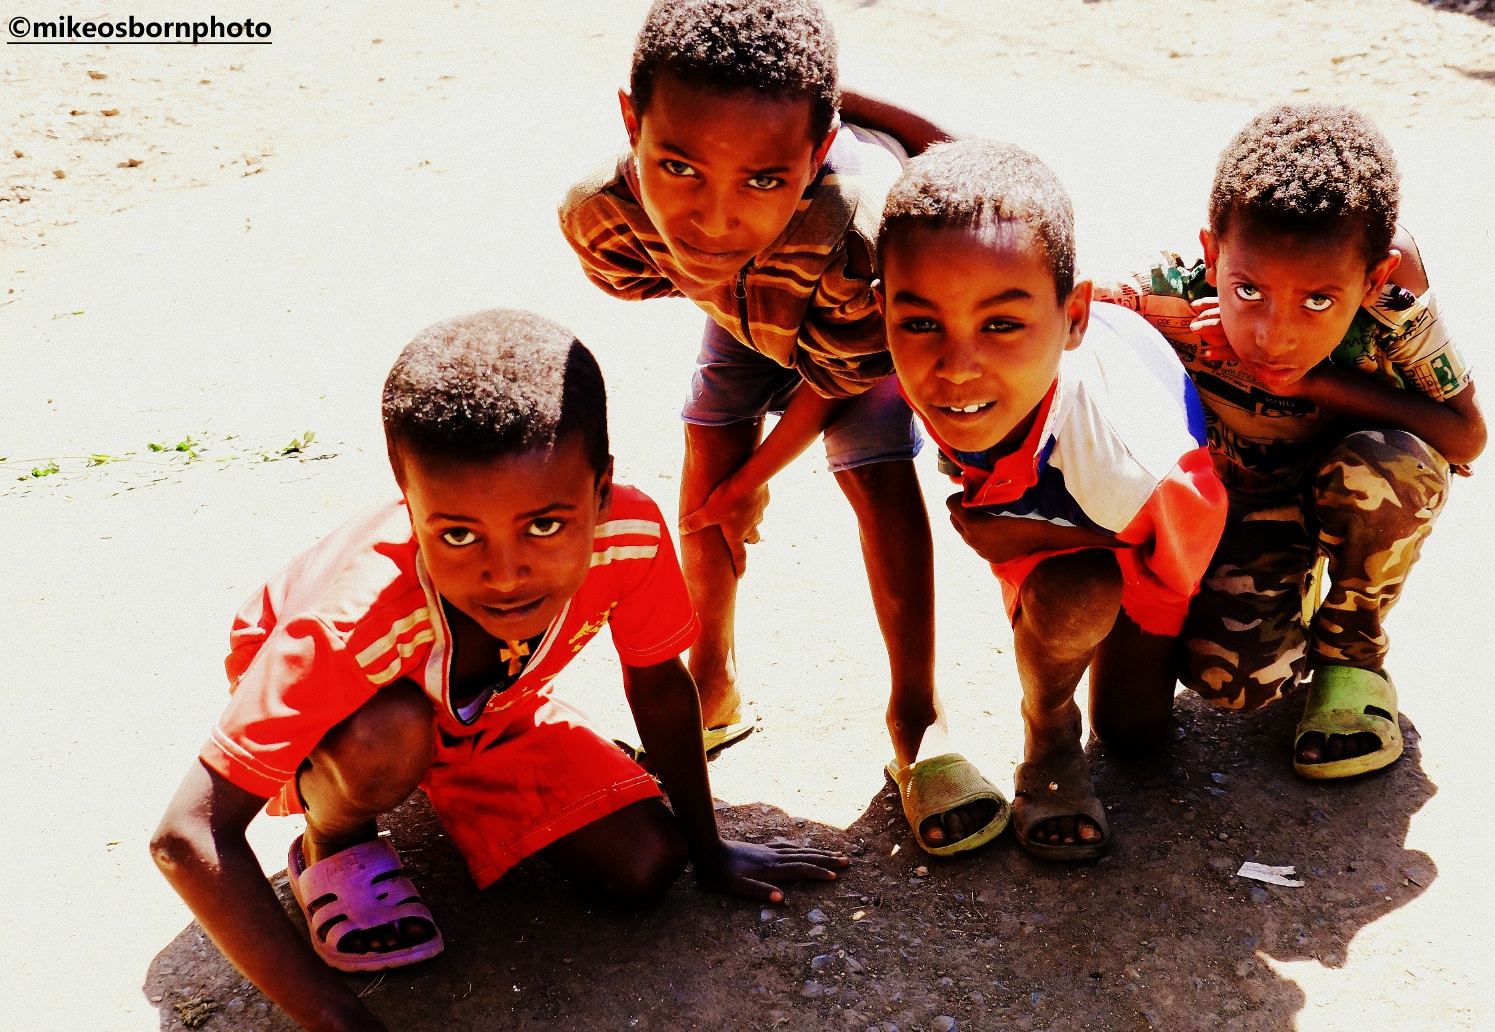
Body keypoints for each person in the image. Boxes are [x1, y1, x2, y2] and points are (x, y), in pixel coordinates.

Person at [150, 309, 846, 1032]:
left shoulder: (627, 535)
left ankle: (457, 757)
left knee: (646, 864)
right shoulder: (348, 625)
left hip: (493, 702)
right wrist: (343, 1022)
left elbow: (658, 683)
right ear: (408, 502)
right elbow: (186, 835)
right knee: (387, 737)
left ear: (600, 490)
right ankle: (336, 840)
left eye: (544, 525)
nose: (506, 574)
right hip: (351, 715)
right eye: (457, 534)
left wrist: (710, 849)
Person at [559, 0, 1005, 856]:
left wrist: (754, 478)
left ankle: (918, 719)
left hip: (856, 315)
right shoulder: (604, 212)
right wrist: (731, 461)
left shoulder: (864, 233)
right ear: (631, 124)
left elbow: (840, 376)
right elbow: (660, 269)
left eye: (762, 179)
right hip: (751, 307)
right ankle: (711, 684)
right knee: (707, 457)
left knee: (874, 472)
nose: (713, 218)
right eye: (678, 167)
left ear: (817, 151)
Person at [1095, 103, 1485, 778]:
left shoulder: (1392, 311)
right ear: (1212, 253)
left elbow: (1466, 434)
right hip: (1228, 510)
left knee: (1395, 464)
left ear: (1372, 279)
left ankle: (1351, 653)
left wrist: (1314, 382)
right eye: (1248, 290)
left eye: (1317, 302)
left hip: (1330, 486)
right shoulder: (1172, 294)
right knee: (1234, 684)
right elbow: (1058, 308)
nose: (1274, 335)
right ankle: (1284, 581)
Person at [877, 140, 1228, 859]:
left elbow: (1181, 555)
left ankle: (1048, 721)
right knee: (1064, 587)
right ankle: (1054, 740)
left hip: (1149, 523)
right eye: (920, 323)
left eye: (1001, 324)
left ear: (1074, 318)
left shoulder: (1140, 468)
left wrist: (1026, 536)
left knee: (1129, 729)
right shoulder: (941, 376)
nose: (956, 367)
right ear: (881, 310)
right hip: (1050, 470)